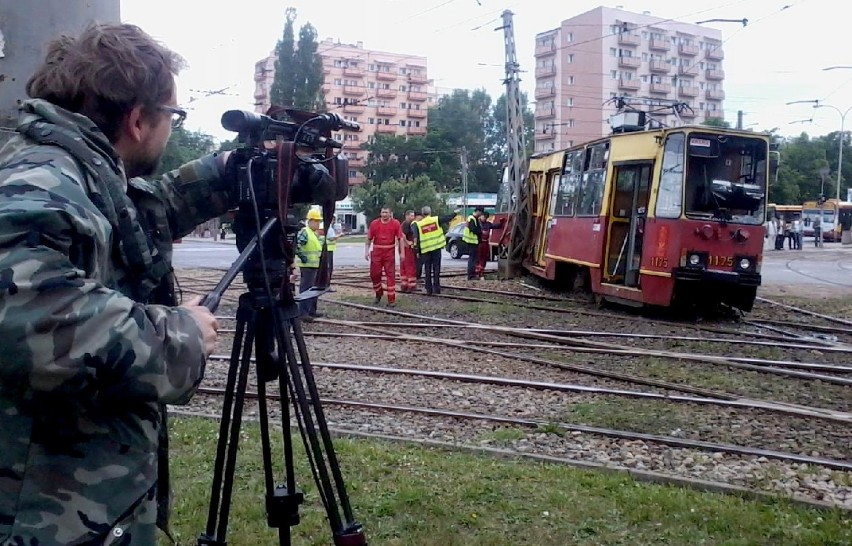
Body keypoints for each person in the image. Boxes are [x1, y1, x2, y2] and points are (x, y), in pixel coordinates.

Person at [0, 23, 231, 544]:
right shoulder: (39, 180)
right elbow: (29, 320)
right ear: (137, 120)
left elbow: (130, 218)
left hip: (68, 502)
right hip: (41, 518)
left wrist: (224, 174)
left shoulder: (68, 168)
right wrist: (182, 333)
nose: (171, 128)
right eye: (172, 116)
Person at [365, 207, 404, 305]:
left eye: (386, 212)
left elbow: (400, 239)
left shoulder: (396, 223)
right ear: (380, 213)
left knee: (390, 275)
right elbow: (369, 238)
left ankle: (391, 300)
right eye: (383, 212)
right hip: (377, 252)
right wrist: (366, 251)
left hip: (389, 252)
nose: (384, 214)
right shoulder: (374, 223)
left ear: (390, 213)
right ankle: (379, 293)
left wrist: (402, 253)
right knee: (374, 274)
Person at [412, 205, 447, 295]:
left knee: (427, 269)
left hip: (426, 250)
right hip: (436, 248)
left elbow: (417, 239)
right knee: (436, 269)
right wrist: (455, 213)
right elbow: (447, 218)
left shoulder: (419, 224)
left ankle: (428, 289)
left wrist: (417, 251)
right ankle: (437, 288)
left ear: (422, 214)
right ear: (430, 212)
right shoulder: (435, 220)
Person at [297, 209, 324, 320]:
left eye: (318, 221)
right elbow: (296, 245)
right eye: (316, 221)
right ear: (311, 221)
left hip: (314, 266)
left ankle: (311, 311)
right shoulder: (305, 232)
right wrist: (302, 257)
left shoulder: (313, 233)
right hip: (307, 266)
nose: (318, 223)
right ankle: (303, 313)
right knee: (306, 290)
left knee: (313, 289)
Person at [477, 211, 505, 278]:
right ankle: (477, 271)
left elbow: (495, 226)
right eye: (483, 217)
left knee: (484, 257)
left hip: (485, 243)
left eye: (486, 217)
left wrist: (501, 222)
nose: (484, 218)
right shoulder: (478, 224)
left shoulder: (487, 224)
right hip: (479, 243)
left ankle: (481, 271)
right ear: (481, 216)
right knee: (478, 257)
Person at [463, 207, 485, 280]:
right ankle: (471, 275)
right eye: (481, 213)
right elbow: (473, 229)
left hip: (474, 241)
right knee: (472, 259)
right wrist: (481, 231)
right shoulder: (471, 218)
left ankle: (472, 274)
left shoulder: (475, 219)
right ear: (478, 211)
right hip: (471, 241)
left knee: (474, 258)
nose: (481, 214)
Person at [399, 209, 418, 293]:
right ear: (406, 216)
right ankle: (411, 285)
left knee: (404, 267)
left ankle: (404, 285)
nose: (413, 217)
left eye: (413, 215)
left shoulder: (405, 224)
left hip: (402, 248)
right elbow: (402, 235)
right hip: (407, 249)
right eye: (411, 215)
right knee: (410, 266)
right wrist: (408, 243)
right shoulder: (406, 224)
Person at [323, 214, 341, 289]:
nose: (334, 221)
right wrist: (339, 235)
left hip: (328, 249)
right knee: (329, 268)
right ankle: (327, 285)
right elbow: (331, 238)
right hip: (328, 249)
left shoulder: (327, 226)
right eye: (333, 219)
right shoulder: (329, 227)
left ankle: (326, 284)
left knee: (328, 268)